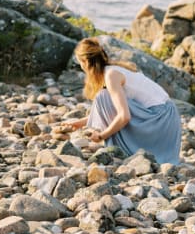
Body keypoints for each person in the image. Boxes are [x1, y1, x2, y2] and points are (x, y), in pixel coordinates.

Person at [64, 37, 182, 165]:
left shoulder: (111, 76)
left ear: (85, 62)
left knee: (103, 97)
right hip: (167, 118)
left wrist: (102, 135)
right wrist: (78, 124)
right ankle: (124, 149)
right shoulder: (113, 70)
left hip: (161, 119)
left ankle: (121, 149)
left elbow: (124, 116)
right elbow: (116, 108)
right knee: (105, 97)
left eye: (79, 63)